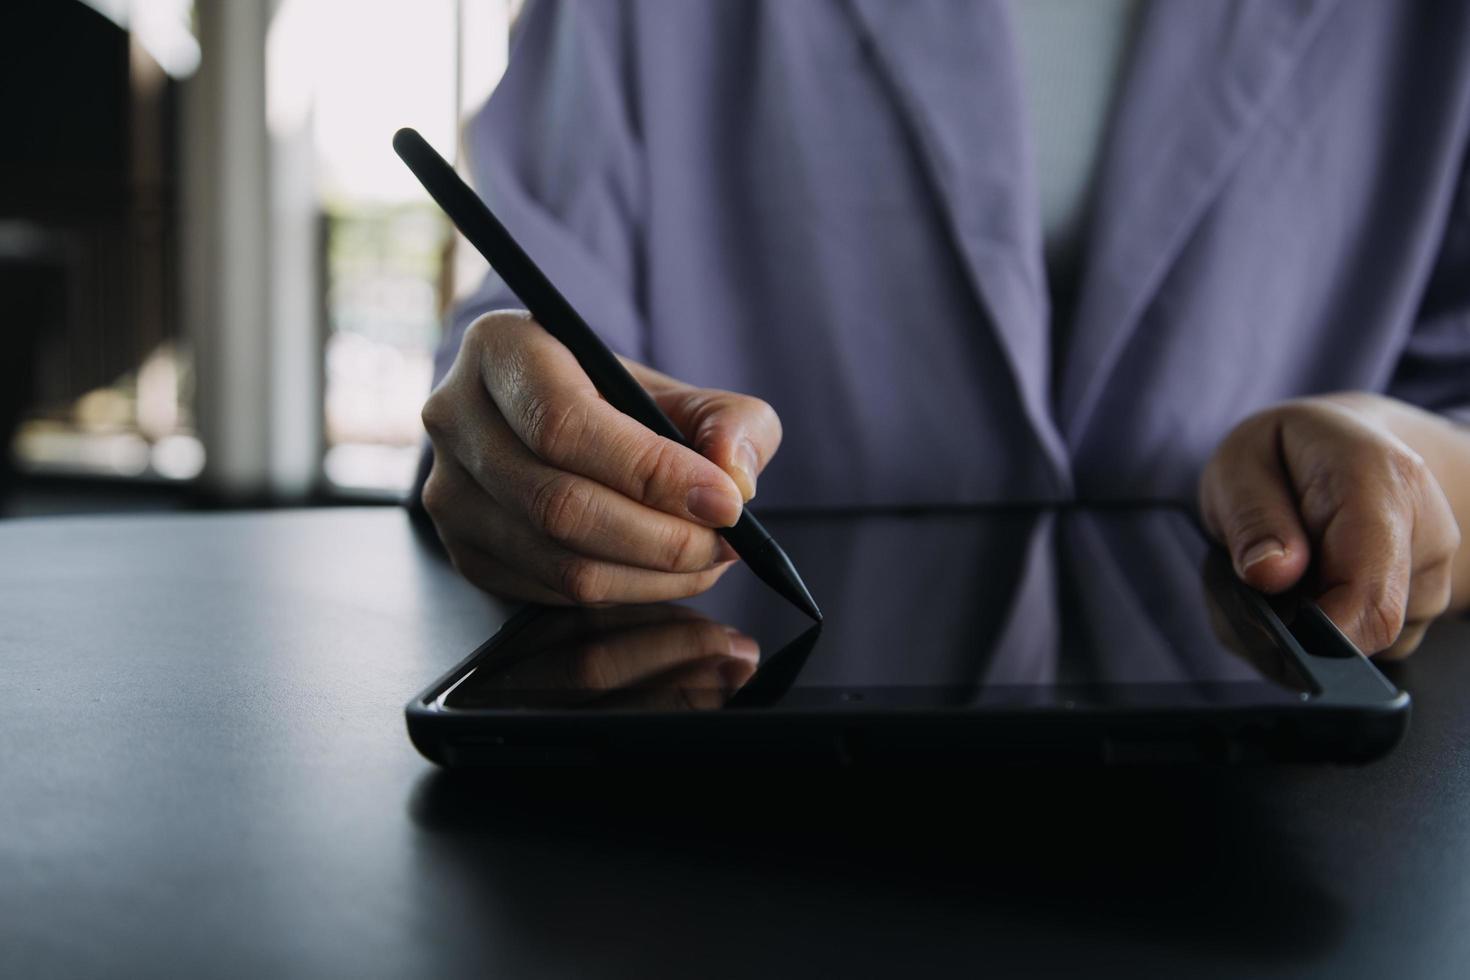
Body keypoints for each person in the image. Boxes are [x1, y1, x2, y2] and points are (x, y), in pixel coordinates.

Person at [418, 0, 1470, 659]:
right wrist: (520, 423)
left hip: (1307, 811)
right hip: (735, 807)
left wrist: (1408, 469)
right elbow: (521, 340)